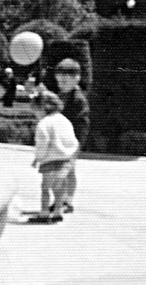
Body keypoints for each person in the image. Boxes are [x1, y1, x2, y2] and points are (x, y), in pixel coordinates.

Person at [29, 91, 79, 224]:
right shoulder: (65, 120)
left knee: (45, 188)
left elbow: (42, 143)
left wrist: (38, 157)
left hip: (49, 161)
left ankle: (44, 213)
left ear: (43, 108)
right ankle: (57, 212)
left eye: (36, 111)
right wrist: (69, 155)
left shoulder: (44, 123)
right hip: (65, 160)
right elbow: (73, 141)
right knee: (59, 187)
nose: (35, 115)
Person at [53, 58, 90, 213]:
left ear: (77, 79)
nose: (62, 84)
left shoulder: (78, 100)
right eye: (60, 81)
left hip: (71, 142)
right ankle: (61, 200)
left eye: (65, 81)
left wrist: (76, 146)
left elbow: (82, 125)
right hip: (60, 141)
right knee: (61, 171)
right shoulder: (60, 95)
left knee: (68, 170)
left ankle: (68, 201)